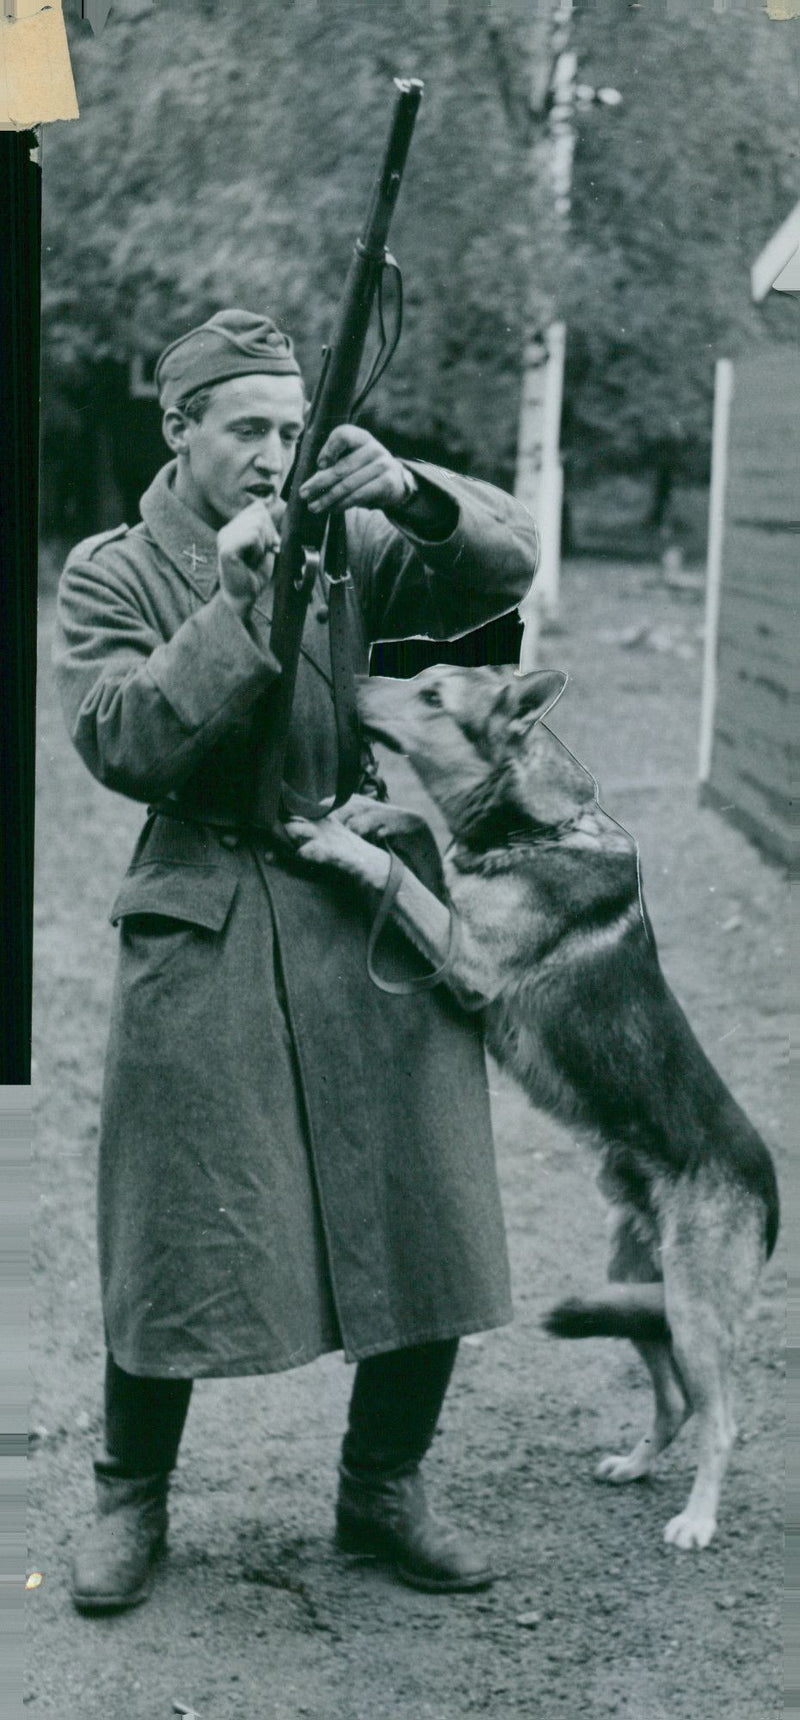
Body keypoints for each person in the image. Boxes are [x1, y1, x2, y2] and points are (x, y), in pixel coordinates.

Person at [54, 308, 538, 1614]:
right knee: (172, 1215)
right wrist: (227, 596)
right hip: (201, 897)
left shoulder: (346, 540)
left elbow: (503, 570)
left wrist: (414, 493)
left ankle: (384, 1488)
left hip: (354, 880)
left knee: (428, 1187)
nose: (274, 454)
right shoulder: (112, 569)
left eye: (291, 429)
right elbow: (124, 744)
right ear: (180, 429)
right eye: (248, 429)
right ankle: (128, 1495)